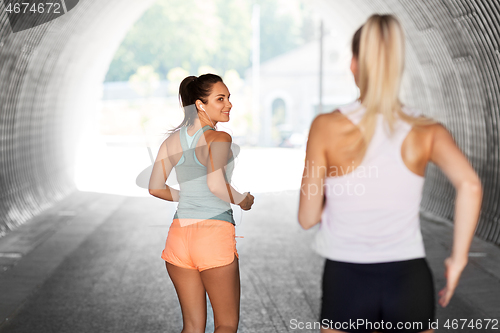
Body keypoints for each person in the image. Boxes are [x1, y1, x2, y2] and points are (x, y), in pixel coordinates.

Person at [298, 14, 483, 333]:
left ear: (354, 64)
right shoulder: (427, 131)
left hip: (346, 280)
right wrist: (457, 259)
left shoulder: (325, 127)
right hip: (409, 279)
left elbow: (307, 217)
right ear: (397, 66)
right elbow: (470, 184)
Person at [149, 73, 255, 333]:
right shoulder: (219, 138)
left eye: (229, 97)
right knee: (226, 324)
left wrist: (186, 197)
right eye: (220, 99)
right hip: (212, 236)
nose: (229, 104)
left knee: (193, 327)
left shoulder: (172, 141)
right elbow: (216, 185)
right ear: (200, 104)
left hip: (179, 237)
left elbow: (155, 187)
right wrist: (243, 200)